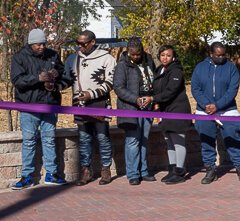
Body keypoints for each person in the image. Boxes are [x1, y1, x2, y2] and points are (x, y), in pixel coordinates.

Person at [10, 29, 67, 190]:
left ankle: (52, 174)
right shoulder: (19, 57)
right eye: (38, 44)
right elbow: (17, 80)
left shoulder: (52, 55)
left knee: (49, 139)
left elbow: (63, 73)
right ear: (30, 43)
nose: (41, 47)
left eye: (43, 43)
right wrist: (37, 78)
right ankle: (27, 176)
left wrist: (56, 76)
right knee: (29, 141)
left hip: (49, 104)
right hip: (28, 106)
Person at [191, 41, 240, 184]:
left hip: (227, 110)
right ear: (211, 54)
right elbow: (195, 88)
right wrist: (206, 105)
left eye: (223, 55)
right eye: (218, 55)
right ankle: (210, 169)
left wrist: (217, 105)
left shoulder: (231, 68)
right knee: (207, 141)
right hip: (204, 111)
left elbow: (232, 90)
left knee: (233, 139)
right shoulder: (200, 68)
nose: (221, 58)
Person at [65, 30, 116, 186]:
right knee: (84, 138)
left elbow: (111, 82)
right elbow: (67, 80)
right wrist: (51, 84)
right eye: (77, 43)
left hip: (99, 103)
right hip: (80, 104)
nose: (80, 47)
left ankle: (105, 168)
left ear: (93, 42)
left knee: (102, 137)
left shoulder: (106, 58)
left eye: (83, 44)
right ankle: (86, 170)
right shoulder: (72, 59)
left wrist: (91, 94)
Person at [113, 38, 156, 186]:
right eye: (133, 55)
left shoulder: (148, 60)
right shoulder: (122, 66)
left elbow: (154, 80)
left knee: (144, 139)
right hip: (130, 108)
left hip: (147, 107)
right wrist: (135, 99)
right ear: (128, 52)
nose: (136, 57)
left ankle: (144, 171)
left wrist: (152, 99)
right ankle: (133, 174)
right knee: (132, 141)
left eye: (138, 54)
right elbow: (118, 87)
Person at [152, 45, 191, 185]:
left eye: (168, 55)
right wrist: (156, 103)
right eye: (162, 55)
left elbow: (170, 91)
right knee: (169, 140)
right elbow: (156, 89)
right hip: (165, 110)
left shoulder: (176, 71)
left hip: (177, 109)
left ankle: (180, 171)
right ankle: (172, 169)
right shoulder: (160, 70)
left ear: (173, 57)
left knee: (178, 141)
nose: (165, 58)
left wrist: (154, 99)